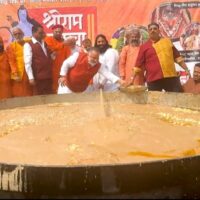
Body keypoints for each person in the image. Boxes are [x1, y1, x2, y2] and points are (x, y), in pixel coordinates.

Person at [133, 22, 190, 92]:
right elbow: (137, 66)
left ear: (159, 31)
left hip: (170, 77)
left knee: (176, 99)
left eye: (155, 29)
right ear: (148, 32)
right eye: (150, 29)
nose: (152, 30)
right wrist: (132, 80)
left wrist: (187, 70)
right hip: (153, 79)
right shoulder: (144, 47)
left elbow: (178, 58)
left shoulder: (167, 42)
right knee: (154, 101)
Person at [57, 47, 125, 94]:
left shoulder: (98, 66)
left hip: (81, 90)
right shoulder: (77, 56)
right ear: (88, 55)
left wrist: (120, 81)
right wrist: (63, 76)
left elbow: (108, 74)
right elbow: (66, 63)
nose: (95, 60)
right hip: (66, 87)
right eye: (93, 58)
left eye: (97, 58)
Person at [24, 24, 53, 95]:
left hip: (48, 76)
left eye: (43, 32)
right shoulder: (28, 45)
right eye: (40, 33)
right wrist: (31, 77)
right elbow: (27, 63)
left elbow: (48, 57)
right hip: (38, 78)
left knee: (50, 99)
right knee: (39, 99)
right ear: (34, 33)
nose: (42, 34)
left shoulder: (45, 43)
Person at [6, 27, 33, 97]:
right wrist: (15, 74)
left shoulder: (29, 42)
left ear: (23, 34)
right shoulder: (11, 46)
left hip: (29, 70)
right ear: (13, 36)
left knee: (30, 90)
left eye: (19, 33)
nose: (17, 36)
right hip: (19, 72)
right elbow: (11, 61)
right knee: (19, 92)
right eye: (15, 34)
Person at [45, 24, 71, 93]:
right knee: (52, 88)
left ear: (62, 32)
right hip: (51, 68)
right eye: (56, 32)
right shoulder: (48, 39)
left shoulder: (65, 43)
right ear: (52, 32)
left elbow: (68, 56)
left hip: (62, 69)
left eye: (59, 32)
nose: (58, 33)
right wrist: (62, 44)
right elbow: (51, 48)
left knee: (61, 87)